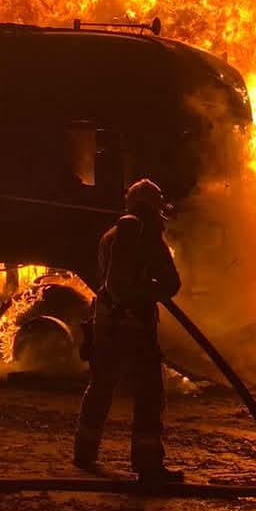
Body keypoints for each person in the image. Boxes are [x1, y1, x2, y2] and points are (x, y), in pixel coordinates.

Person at [73, 178, 184, 487]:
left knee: (101, 386)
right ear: (151, 207)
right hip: (134, 325)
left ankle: (84, 452)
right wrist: (149, 293)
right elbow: (172, 284)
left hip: (105, 322)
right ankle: (148, 465)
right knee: (149, 393)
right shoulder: (147, 237)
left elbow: (110, 282)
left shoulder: (111, 236)